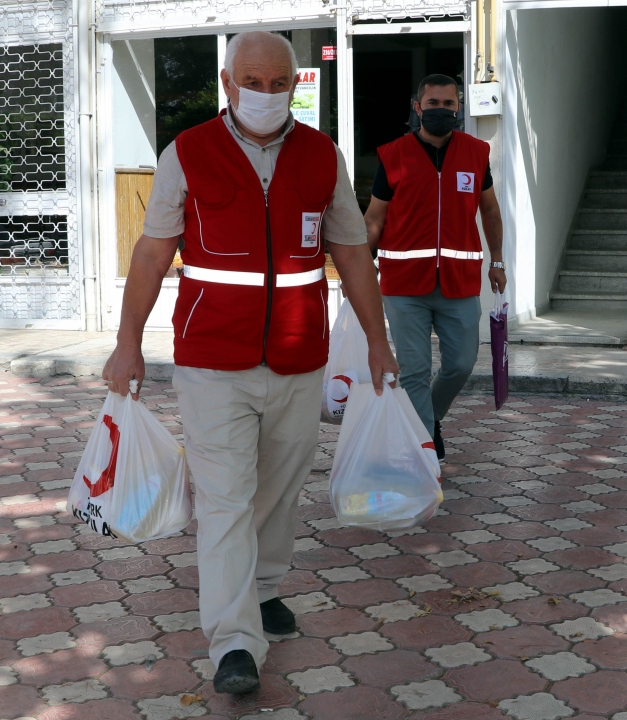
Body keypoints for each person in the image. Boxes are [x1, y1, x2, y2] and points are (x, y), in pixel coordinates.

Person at [101, 31, 398, 696]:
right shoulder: (189, 153)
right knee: (227, 497)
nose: (266, 95)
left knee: (279, 490)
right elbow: (152, 255)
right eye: (252, 83)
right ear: (228, 84)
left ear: (293, 85)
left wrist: (378, 342)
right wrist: (128, 343)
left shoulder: (322, 155)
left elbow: (351, 252)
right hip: (212, 358)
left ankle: (263, 590)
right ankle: (234, 641)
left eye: (278, 84)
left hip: (298, 356)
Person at [364, 74, 506, 459]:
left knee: (461, 363)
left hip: (458, 283)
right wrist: (361, 268)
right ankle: (423, 449)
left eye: (448, 104)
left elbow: (490, 211)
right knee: (413, 371)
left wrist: (497, 260)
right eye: (433, 104)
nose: (440, 110)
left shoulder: (475, 153)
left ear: (458, 108)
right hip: (404, 285)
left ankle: (430, 417)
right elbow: (375, 219)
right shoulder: (393, 155)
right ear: (417, 108)